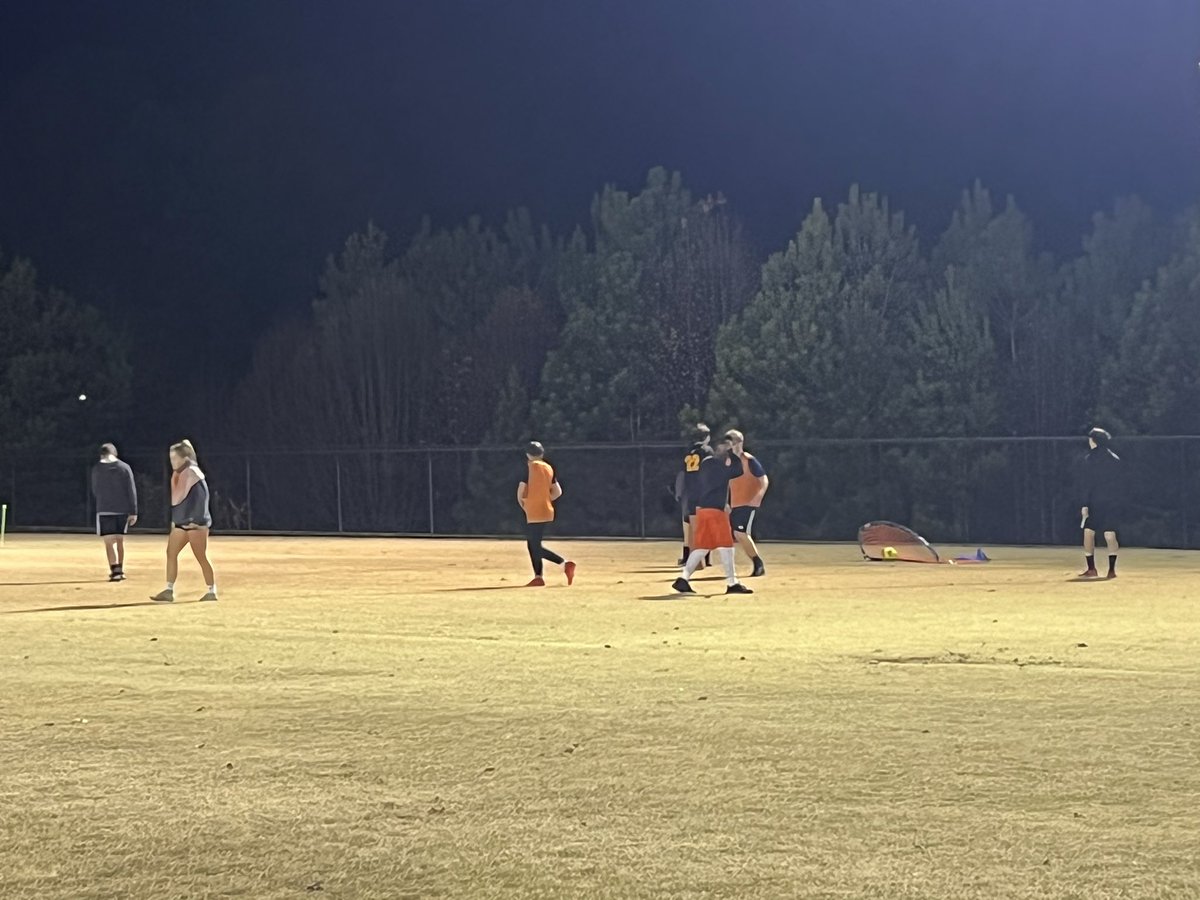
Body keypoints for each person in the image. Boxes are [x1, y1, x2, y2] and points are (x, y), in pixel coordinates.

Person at [672, 433, 752, 595]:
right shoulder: (718, 465)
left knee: (702, 547)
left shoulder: (706, 463)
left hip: (702, 509)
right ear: (719, 448)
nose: (728, 448)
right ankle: (732, 583)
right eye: (726, 445)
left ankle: (683, 579)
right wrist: (734, 454)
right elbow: (738, 471)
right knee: (727, 547)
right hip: (715, 510)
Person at [151, 440, 217, 602]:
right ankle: (169, 590)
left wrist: (197, 520)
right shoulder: (180, 474)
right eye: (171, 458)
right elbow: (179, 501)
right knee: (171, 553)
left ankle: (211, 591)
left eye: (175, 458)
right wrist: (176, 521)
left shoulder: (193, 472)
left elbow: (202, 499)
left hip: (196, 524)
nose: (172, 461)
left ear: (185, 457)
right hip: (182, 523)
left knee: (200, 556)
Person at [518, 441, 576, 587]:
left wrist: (525, 505)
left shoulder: (529, 468)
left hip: (533, 510)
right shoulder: (549, 468)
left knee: (534, 545)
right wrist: (545, 498)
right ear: (542, 453)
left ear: (527, 454)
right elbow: (558, 491)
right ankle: (539, 576)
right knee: (534, 544)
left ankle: (563, 564)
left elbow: (521, 490)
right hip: (546, 509)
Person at [1079, 426, 1123, 579]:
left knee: (1088, 533)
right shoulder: (1115, 459)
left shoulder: (1090, 459)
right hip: (1112, 503)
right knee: (1110, 534)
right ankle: (1112, 570)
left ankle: (1092, 569)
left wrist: (1085, 504)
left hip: (1095, 502)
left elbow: (1087, 484)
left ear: (1094, 441)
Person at [724, 429, 769, 577]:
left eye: (734, 442)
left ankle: (758, 563)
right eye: (729, 442)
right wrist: (726, 502)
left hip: (748, 503)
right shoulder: (728, 461)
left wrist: (758, 496)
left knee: (740, 533)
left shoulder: (749, 460)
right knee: (737, 534)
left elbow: (764, 480)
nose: (732, 446)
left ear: (740, 443)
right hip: (735, 504)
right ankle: (755, 563)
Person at [91, 443, 138, 582]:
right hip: (122, 509)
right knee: (119, 540)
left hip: (104, 509)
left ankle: (114, 570)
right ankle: (120, 569)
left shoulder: (97, 469)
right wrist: (133, 510)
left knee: (109, 541)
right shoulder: (124, 468)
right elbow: (131, 490)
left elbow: (95, 489)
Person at [680, 423, 713, 566]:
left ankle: (694, 560)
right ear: (706, 437)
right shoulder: (707, 451)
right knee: (706, 527)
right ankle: (705, 558)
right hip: (704, 492)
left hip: (691, 492)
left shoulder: (689, 451)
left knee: (693, 527)